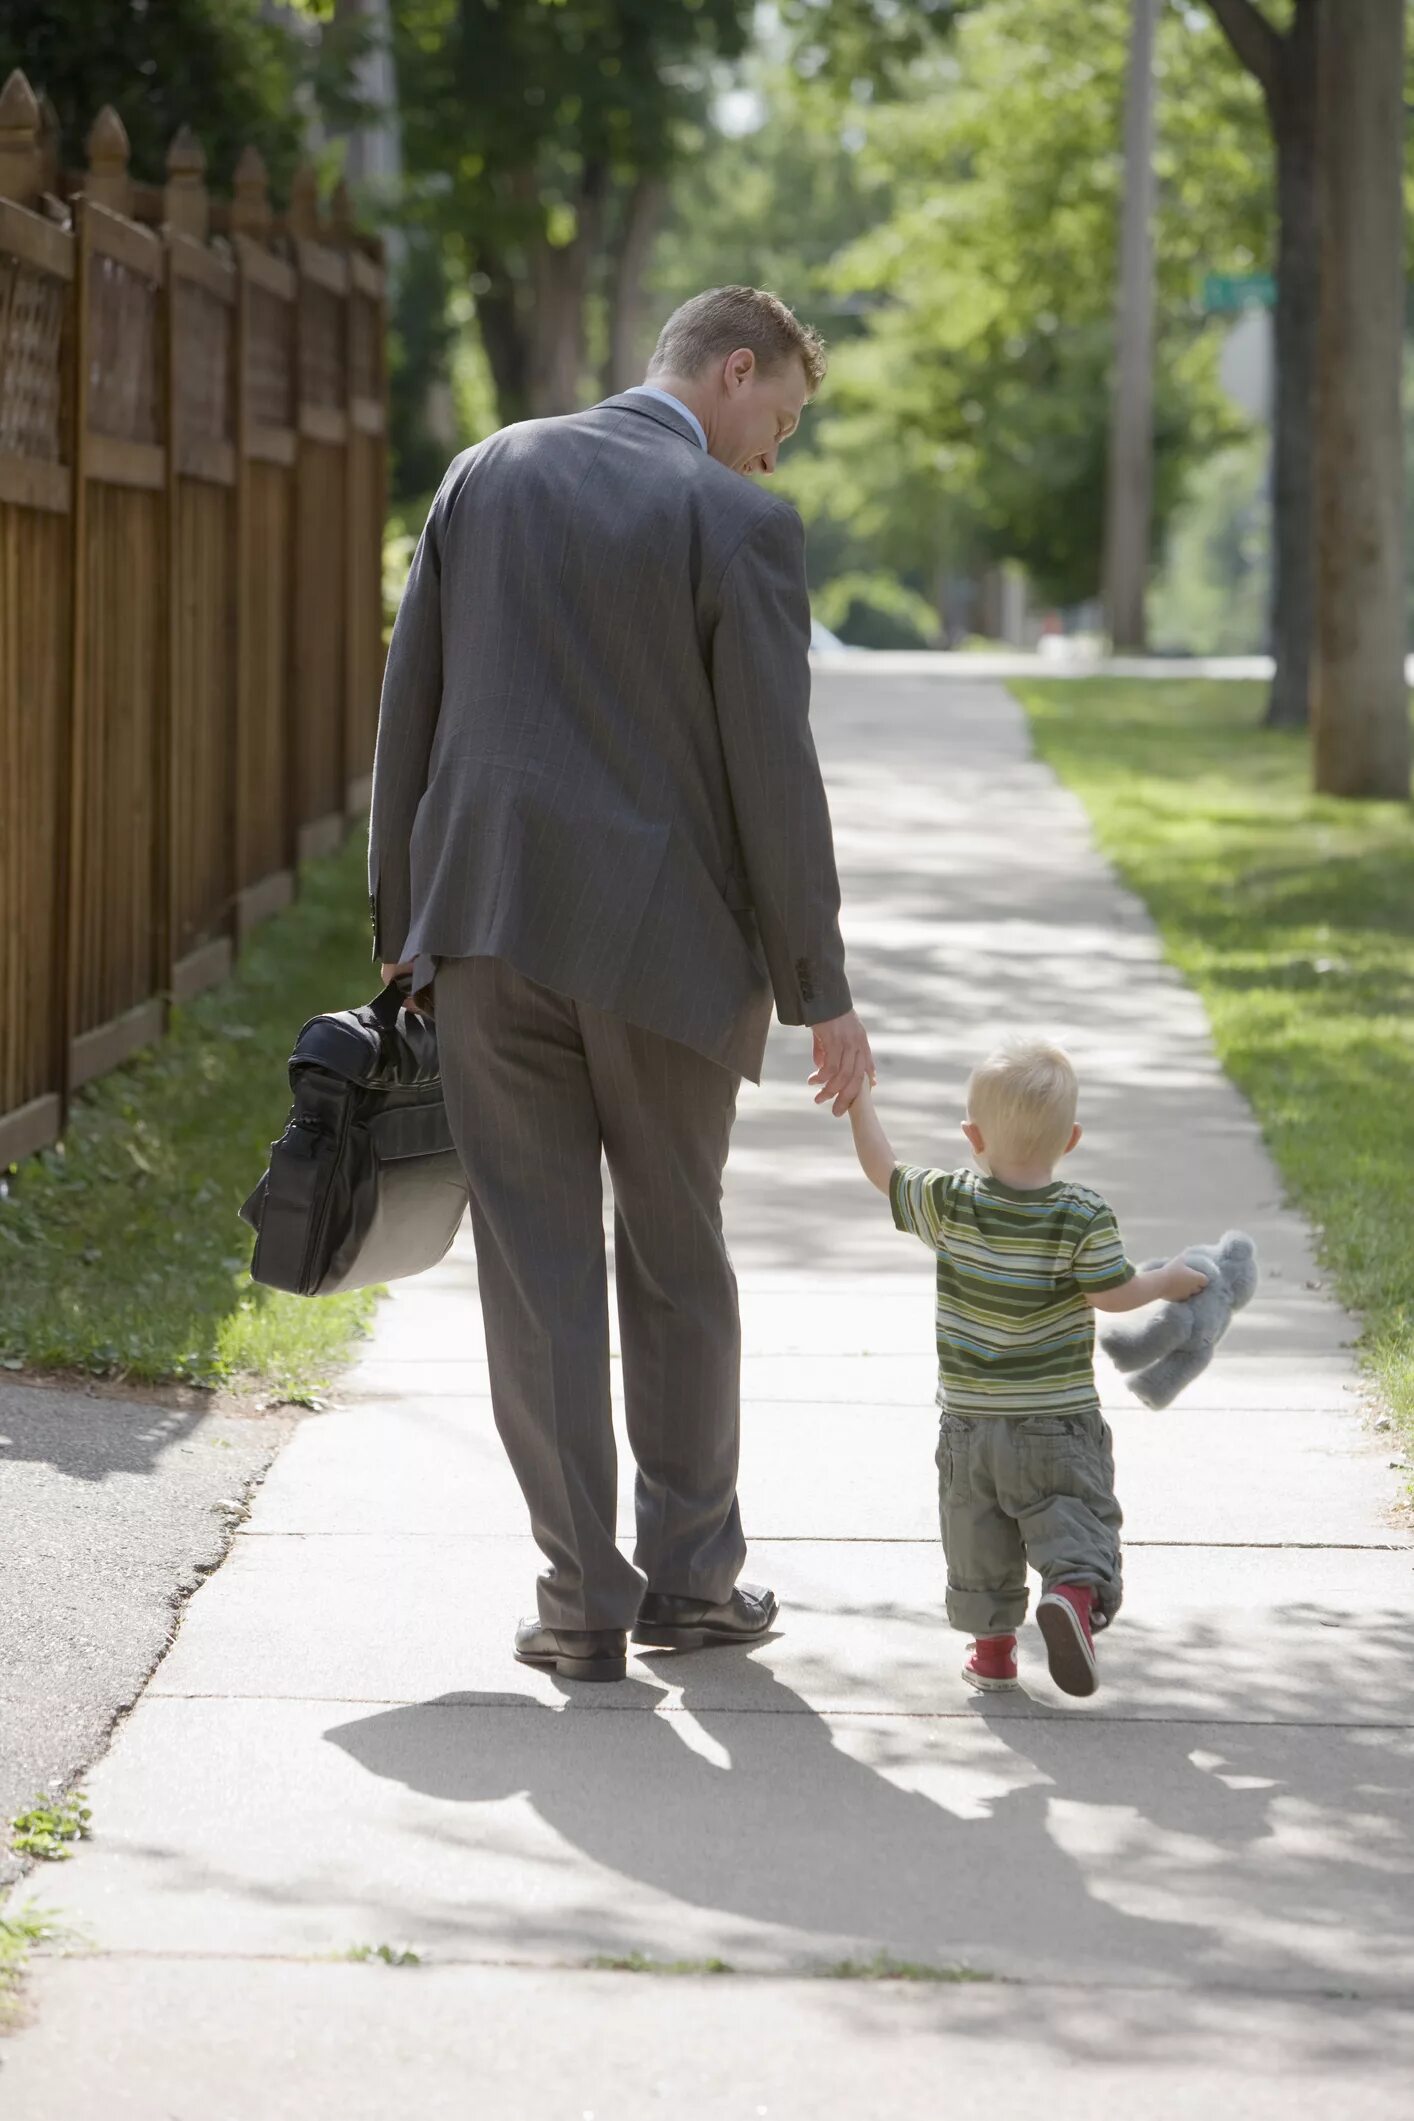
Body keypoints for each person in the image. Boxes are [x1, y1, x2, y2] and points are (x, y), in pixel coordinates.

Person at [369, 287, 874, 1684]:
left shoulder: (487, 470)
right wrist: (816, 985)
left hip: (481, 928)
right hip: (664, 956)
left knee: (533, 1273)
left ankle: (579, 1599)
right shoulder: (741, 525)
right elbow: (774, 775)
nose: (766, 459)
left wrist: (401, 918)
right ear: (730, 371)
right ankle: (694, 1583)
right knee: (673, 1256)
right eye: (771, 424)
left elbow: (407, 699)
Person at [845, 1039, 1205, 1698]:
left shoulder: (950, 1203)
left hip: (969, 1427)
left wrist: (860, 1098)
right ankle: (1069, 1593)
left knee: (979, 1540)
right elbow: (1111, 1292)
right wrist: (1164, 1281)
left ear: (972, 1135)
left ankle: (993, 1654)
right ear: (1070, 1139)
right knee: (1071, 1515)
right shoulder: (1081, 1214)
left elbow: (883, 1168)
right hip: (1054, 1421)